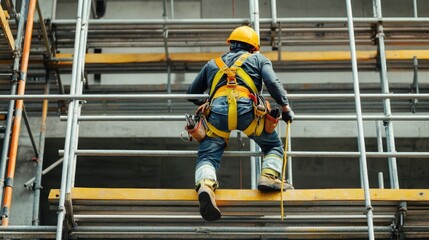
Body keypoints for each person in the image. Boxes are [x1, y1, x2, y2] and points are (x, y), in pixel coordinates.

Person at [186, 25, 295, 221]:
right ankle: (268, 176)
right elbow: (273, 84)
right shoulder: (259, 59)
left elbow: (192, 94)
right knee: (274, 146)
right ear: (253, 47)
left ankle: (205, 185)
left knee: (208, 156)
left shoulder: (213, 64)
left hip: (217, 116)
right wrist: (285, 107)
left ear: (231, 46)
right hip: (249, 114)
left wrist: (210, 103)